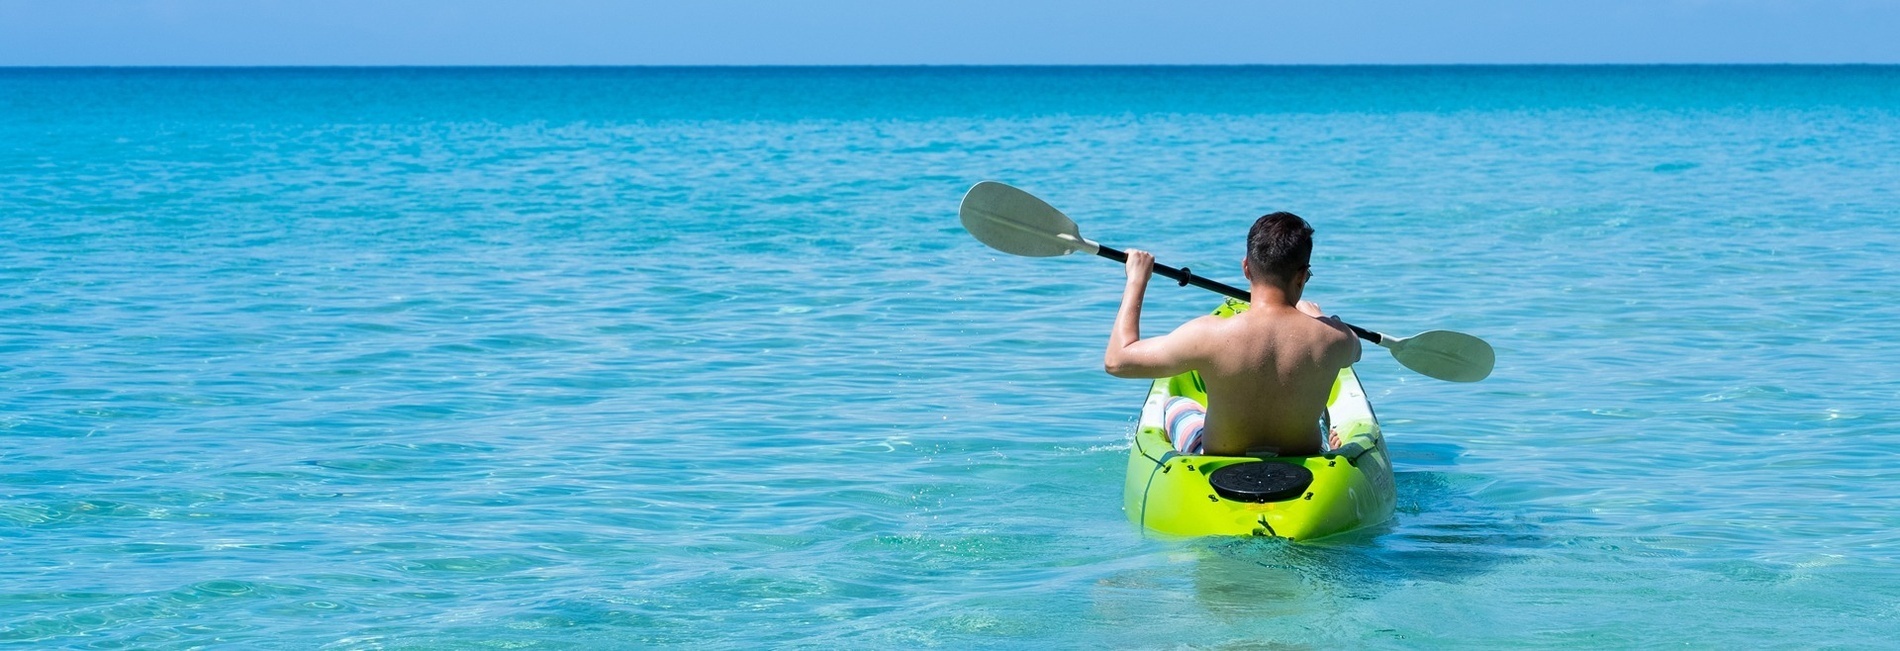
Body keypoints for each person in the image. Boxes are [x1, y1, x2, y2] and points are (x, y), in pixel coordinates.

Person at [1102, 212, 1360, 457]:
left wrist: (1137, 279)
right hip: (1303, 454)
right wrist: (1317, 318)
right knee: (1321, 412)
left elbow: (1117, 362)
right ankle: (1328, 441)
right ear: (1302, 276)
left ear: (1247, 268)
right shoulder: (1334, 338)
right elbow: (1356, 350)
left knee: (1175, 405)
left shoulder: (1208, 334)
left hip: (1220, 454)